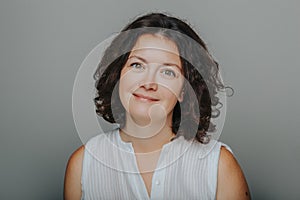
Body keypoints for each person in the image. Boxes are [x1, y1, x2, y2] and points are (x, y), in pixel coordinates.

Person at [64, 13, 251, 199]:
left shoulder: (219, 165)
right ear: (118, 75)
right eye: (137, 65)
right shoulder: (83, 164)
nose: (148, 83)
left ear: (184, 91)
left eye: (167, 72)